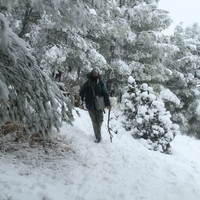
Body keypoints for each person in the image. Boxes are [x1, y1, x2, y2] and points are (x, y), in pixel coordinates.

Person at [79, 68, 111, 143]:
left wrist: (108, 103)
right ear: (92, 74)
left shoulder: (101, 83)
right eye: (94, 74)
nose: (95, 75)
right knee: (94, 121)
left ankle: (98, 133)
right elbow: (82, 93)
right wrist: (81, 103)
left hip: (99, 105)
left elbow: (106, 94)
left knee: (100, 120)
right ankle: (98, 137)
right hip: (90, 105)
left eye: (96, 74)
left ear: (98, 74)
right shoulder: (87, 83)